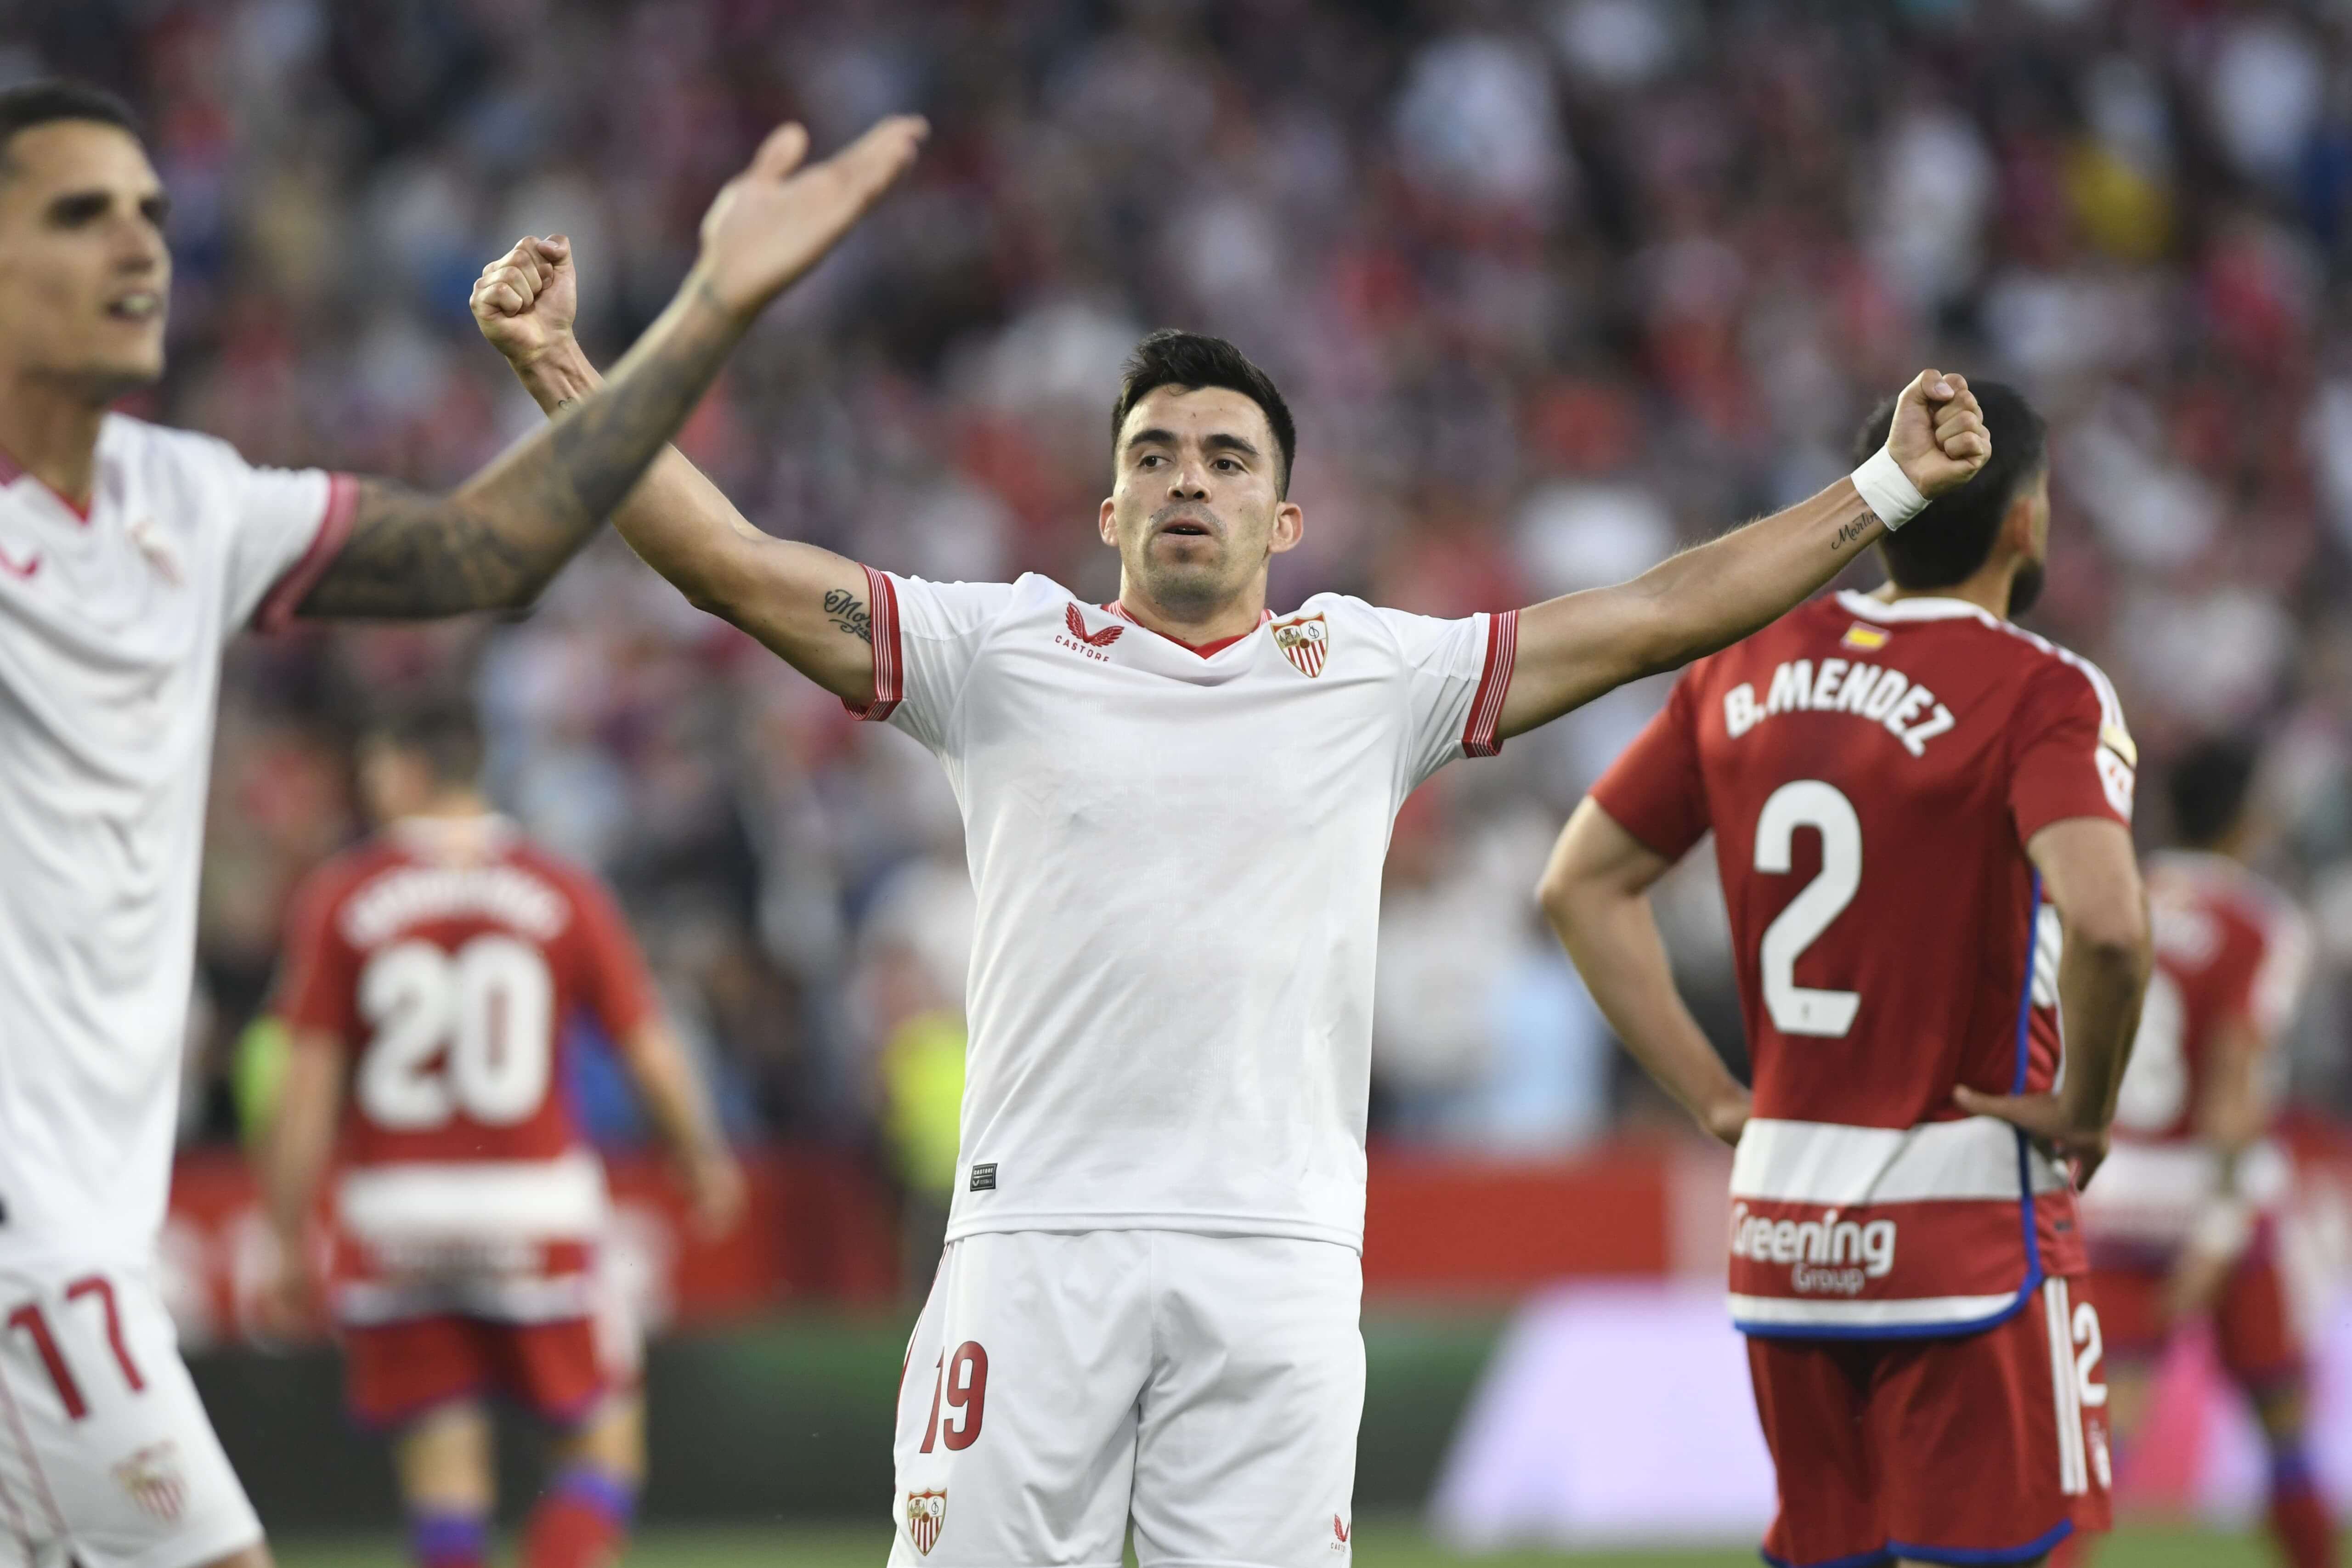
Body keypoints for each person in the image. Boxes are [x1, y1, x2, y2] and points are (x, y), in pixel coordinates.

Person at [469, 224, 1990, 1566]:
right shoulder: (994, 654)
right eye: (1152, 457)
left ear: (1284, 523)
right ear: (1108, 512)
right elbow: (729, 562)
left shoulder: (1376, 675)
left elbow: (1660, 614)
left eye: (1225, 459)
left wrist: (1884, 486)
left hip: (1277, 1253)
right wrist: (557, 367)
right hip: (1036, 1239)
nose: (1185, 478)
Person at [0, 74, 922, 1568]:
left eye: (153, 213)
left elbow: (484, 544)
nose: (138, 246)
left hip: (111, 1233)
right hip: (31, 1262)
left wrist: (709, 305)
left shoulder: (189, 501)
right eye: (78, 212)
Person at [1539, 381, 2153, 1568]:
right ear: (2026, 521)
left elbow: (1581, 884)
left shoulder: (1742, 668)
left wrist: (1717, 1097)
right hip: (1971, 1224)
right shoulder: (2042, 691)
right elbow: (2114, 928)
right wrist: (2087, 1107)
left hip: (1784, 1238)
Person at [253, 701, 743, 1568]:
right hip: (533, 1203)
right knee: (602, 1450)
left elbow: (306, 1086)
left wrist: (286, 1233)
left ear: (407, 768)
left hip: (394, 1213)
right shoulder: (561, 888)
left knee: (448, 1486)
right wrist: (702, 1157)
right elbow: (648, 1045)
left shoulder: (345, 894)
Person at [2075, 738, 2331, 1568]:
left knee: (2099, 1438)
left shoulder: (2109, 899)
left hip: (2113, 1196)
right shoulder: (2259, 922)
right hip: (2218, 1197)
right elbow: (2233, 1087)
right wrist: (2218, 1232)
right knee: (2284, 1423)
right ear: (2246, 821)